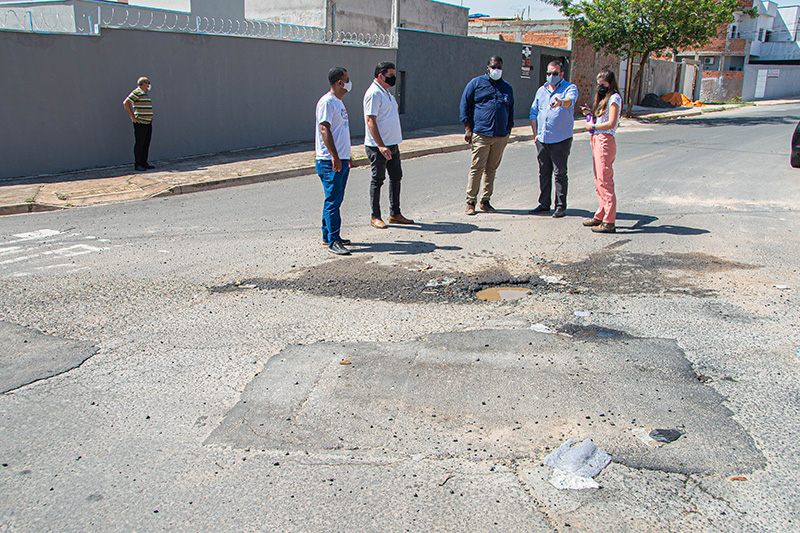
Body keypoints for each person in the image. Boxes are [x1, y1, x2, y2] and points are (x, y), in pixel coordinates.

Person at [459, 56, 514, 216]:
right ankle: (471, 202)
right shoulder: (476, 84)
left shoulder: (507, 87)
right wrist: (468, 128)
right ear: (488, 67)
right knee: (477, 168)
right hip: (481, 133)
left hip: (500, 135)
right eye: (493, 67)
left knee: (491, 169)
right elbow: (465, 105)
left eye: (499, 67)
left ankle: (485, 200)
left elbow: (510, 109)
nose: (496, 70)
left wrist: (508, 130)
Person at [364, 61, 415, 229]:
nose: (394, 79)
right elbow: (370, 120)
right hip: (378, 146)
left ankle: (395, 213)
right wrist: (380, 145)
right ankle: (375, 216)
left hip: (392, 144)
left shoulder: (386, 93)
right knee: (378, 180)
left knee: (396, 177)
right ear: (380, 75)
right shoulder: (374, 94)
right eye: (391, 75)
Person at [528, 60, 578, 218]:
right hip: (542, 139)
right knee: (544, 172)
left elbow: (570, 101)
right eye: (548, 73)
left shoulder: (570, 88)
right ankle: (544, 204)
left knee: (560, 173)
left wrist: (560, 102)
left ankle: (560, 206)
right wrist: (535, 134)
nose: (551, 76)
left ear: (561, 74)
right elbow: (534, 112)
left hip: (561, 139)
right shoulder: (541, 91)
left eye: (554, 74)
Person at [315, 67, 353, 255]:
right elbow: (324, 129)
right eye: (347, 79)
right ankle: (334, 240)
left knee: (335, 198)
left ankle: (327, 234)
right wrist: (335, 157)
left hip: (341, 159)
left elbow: (340, 132)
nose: (349, 82)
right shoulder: (327, 102)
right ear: (339, 82)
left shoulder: (338, 102)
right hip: (330, 161)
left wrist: (346, 156)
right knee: (333, 200)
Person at [581, 68, 622, 234]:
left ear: (610, 84)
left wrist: (594, 126)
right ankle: (601, 212)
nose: (600, 88)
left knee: (605, 180)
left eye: (603, 84)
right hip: (596, 138)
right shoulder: (604, 98)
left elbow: (611, 123)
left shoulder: (614, 98)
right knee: (598, 180)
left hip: (605, 138)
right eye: (598, 85)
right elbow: (601, 119)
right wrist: (590, 115)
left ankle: (609, 220)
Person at [123, 77, 154, 171]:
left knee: (146, 143)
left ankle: (144, 162)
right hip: (140, 122)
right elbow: (126, 103)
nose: (149, 84)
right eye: (148, 82)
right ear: (143, 83)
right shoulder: (137, 92)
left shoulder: (145, 94)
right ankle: (138, 164)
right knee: (140, 143)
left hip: (147, 122)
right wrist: (132, 117)